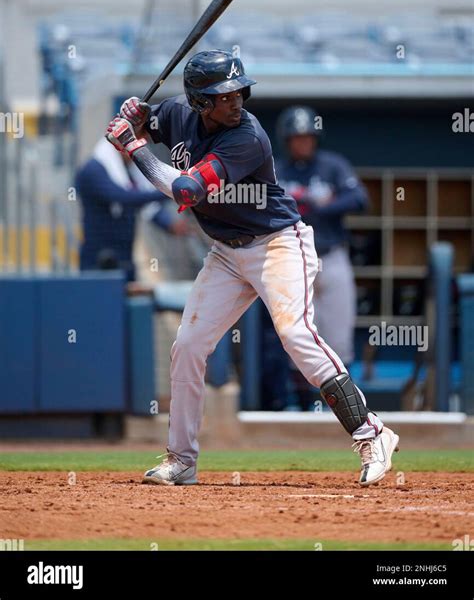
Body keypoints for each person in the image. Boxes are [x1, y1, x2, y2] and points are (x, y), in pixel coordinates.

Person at [105, 49, 399, 487]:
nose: (236, 100)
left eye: (239, 91)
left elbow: (186, 191)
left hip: (278, 243)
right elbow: (146, 119)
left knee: (295, 333)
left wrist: (135, 148)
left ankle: (371, 432)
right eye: (224, 96)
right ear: (200, 101)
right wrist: (134, 113)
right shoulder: (178, 115)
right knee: (187, 344)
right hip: (226, 251)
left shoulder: (248, 136)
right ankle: (181, 459)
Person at [275, 106, 369, 408]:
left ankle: (348, 411)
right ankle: (304, 410)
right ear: (287, 140)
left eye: (307, 137)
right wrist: (303, 204)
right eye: (296, 138)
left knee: (339, 337)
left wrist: (318, 206)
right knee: (297, 337)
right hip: (293, 260)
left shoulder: (332, 166)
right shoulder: (277, 170)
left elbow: (359, 198)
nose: (303, 143)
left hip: (332, 256)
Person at [76, 137, 188, 282]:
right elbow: (123, 197)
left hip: (124, 257)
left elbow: (148, 205)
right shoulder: (92, 170)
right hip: (97, 260)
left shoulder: (128, 170)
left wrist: (169, 224)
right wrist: (169, 191)